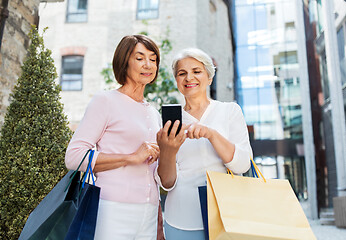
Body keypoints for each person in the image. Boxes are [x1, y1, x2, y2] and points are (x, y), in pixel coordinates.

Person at [65, 35, 163, 240]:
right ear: (124, 61)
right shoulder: (105, 101)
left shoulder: (154, 114)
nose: (148, 65)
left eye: (153, 59)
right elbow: (74, 157)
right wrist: (130, 158)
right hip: (112, 208)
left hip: (149, 212)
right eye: (140, 58)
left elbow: (154, 172)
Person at [156, 48, 253, 239]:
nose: (188, 77)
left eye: (196, 71)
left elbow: (243, 164)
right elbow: (166, 183)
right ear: (177, 81)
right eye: (182, 73)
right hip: (181, 220)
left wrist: (211, 134)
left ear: (209, 77)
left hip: (225, 216)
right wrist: (169, 150)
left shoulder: (230, 111)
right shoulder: (167, 123)